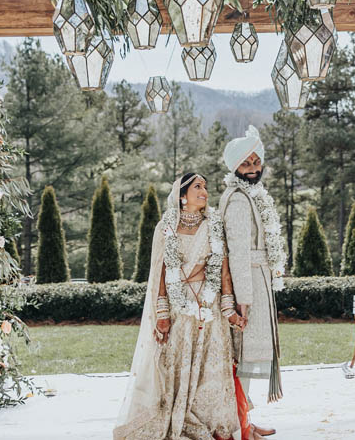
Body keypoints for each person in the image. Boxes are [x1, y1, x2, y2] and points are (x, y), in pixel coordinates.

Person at [115, 172, 254, 440]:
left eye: (205, 187)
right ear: (182, 195)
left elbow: (223, 270)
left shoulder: (214, 224)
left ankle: (213, 422)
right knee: (176, 368)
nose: (204, 191)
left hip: (210, 307)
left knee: (211, 369)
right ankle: (179, 415)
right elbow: (161, 273)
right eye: (197, 187)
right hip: (180, 309)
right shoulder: (166, 227)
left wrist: (228, 310)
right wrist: (163, 313)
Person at [219, 126, 287, 437]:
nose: (254, 169)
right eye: (246, 164)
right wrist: (242, 300)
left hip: (258, 282)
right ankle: (240, 427)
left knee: (245, 358)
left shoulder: (252, 196)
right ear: (234, 167)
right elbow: (238, 254)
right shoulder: (237, 201)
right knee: (242, 358)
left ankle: (245, 418)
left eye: (256, 162)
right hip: (248, 289)